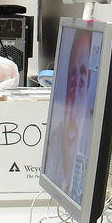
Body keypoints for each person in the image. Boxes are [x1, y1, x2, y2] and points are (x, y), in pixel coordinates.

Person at [44, 29, 95, 201]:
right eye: (72, 79)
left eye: (81, 80)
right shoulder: (56, 141)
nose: (74, 93)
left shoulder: (91, 143)